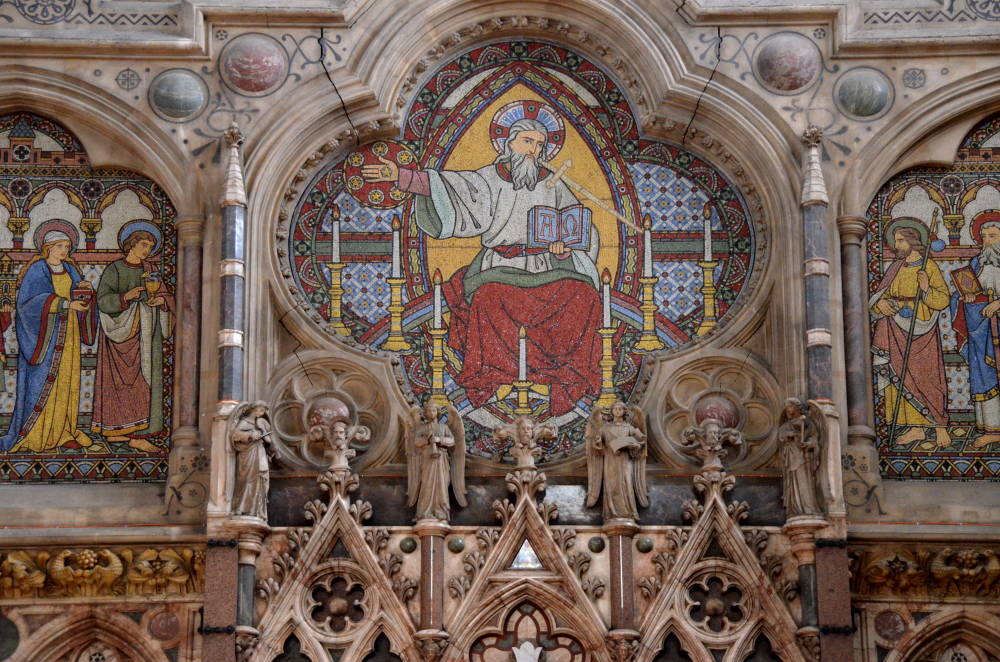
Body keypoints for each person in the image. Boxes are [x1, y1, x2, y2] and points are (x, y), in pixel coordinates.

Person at [362, 105, 602, 416]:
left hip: (546, 268)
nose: (534, 150)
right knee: (488, 299)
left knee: (584, 296)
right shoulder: (488, 179)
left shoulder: (553, 182)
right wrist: (402, 177)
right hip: (499, 268)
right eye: (528, 141)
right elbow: (450, 188)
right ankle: (491, 377)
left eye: (540, 145)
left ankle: (566, 376)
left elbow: (578, 226)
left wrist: (564, 247)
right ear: (509, 143)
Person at [0, 221, 96, 453]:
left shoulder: (71, 269)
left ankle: (65, 431)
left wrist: (87, 295)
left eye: (67, 246)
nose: (65, 250)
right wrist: (64, 304)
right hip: (44, 338)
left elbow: (81, 295)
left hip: (70, 334)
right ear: (48, 247)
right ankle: (36, 433)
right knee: (42, 384)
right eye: (60, 246)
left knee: (68, 383)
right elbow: (26, 306)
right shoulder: (37, 269)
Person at [90, 221, 173, 452]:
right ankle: (115, 431)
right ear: (131, 244)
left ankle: (141, 433)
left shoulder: (151, 271)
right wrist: (125, 297)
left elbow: (168, 297)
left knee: (144, 382)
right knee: (118, 385)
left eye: (150, 246)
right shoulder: (115, 269)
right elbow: (102, 300)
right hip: (119, 337)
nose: (147, 250)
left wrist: (162, 301)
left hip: (147, 337)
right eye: (144, 245)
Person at [870, 217, 951, 448]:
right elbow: (878, 298)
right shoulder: (895, 268)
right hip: (894, 329)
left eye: (900, 241)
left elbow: (943, 299)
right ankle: (916, 428)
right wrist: (881, 306)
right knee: (900, 377)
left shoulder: (929, 266)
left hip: (922, 330)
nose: (896, 246)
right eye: (895, 241)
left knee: (927, 378)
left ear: (913, 242)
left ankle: (939, 427)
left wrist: (925, 289)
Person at [950, 211, 1000, 449]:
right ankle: (991, 429)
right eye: (984, 237)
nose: (987, 242)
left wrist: (998, 303)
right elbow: (963, 294)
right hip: (982, 333)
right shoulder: (975, 264)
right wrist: (965, 298)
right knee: (985, 378)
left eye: (992, 236)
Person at [584, 401, 648, 521]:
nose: (617, 411)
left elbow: (641, 439)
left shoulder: (629, 428)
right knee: (612, 484)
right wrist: (598, 441)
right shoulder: (605, 427)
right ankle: (611, 512)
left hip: (624, 460)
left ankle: (629, 512)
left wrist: (633, 444)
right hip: (610, 460)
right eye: (615, 408)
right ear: (612, 411)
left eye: (620, 409)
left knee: (626, 483)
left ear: (624, 411)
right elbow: (597, 444)